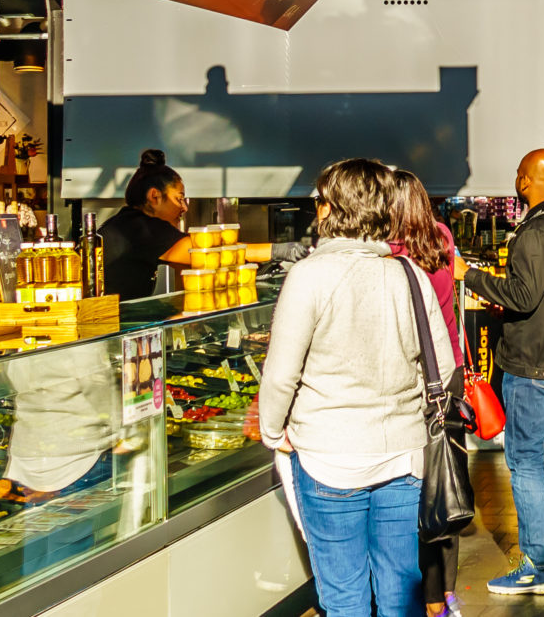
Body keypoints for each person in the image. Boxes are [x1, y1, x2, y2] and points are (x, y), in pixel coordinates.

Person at [257, 159, 452, 617]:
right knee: (400, 586)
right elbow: (440, 367)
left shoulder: (308, 275)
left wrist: (273, 431)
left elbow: (281, 373)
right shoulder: (411, 276)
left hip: (329, 457)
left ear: (331, 209)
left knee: (343, 595)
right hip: (403, 454)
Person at [461, 148, 544, 596]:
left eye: (518, 175)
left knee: (524, 464)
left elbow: (523, 295)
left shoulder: (534, 231)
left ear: (525, 180)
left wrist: (472, 276)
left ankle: (538, 566)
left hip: (533, 365)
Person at [382, 169, 463, 617]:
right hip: (447, 375)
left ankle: (422, 596)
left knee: (413, 490)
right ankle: (444, 593)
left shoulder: (393, 254)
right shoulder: (442, 237)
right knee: (442, 485)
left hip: (412, 379)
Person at [95, 150, 284, 300]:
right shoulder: (142, 229)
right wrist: (279, 251)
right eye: (179, 199)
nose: (184, 208)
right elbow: (209, 252)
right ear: (155, 196)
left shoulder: (128, 221)